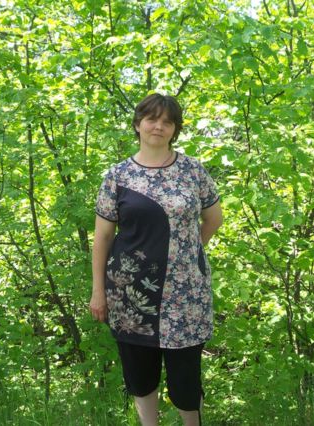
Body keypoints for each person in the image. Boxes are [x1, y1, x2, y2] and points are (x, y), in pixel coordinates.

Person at [90, 93, 223, 426]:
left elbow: (214, 219)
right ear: (138, 124)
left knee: (185, 383)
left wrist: (186, 254)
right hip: (131, 297)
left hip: (185, 296)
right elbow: (103, 237)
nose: (158, 126)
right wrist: (98, 292)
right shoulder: (117, 176)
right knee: (140, 377)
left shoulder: (192, 170)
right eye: (152, 119)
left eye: (167, 121)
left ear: (175, 129)